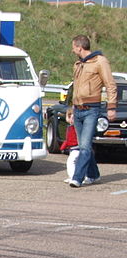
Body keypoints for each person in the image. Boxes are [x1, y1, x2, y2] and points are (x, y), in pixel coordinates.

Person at [66, 34, 117, 188]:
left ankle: (77, 178)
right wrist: (71, 109)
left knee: (85, 146)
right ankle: (94, 174)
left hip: (91, 109)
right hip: (78, 109)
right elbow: (74, 89)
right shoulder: (78, 65)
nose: (72, 50)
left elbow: (110, 85)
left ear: (79, 47)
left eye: (73, 47)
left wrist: (111, 107)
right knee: (84, 145)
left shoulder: (100, 62)